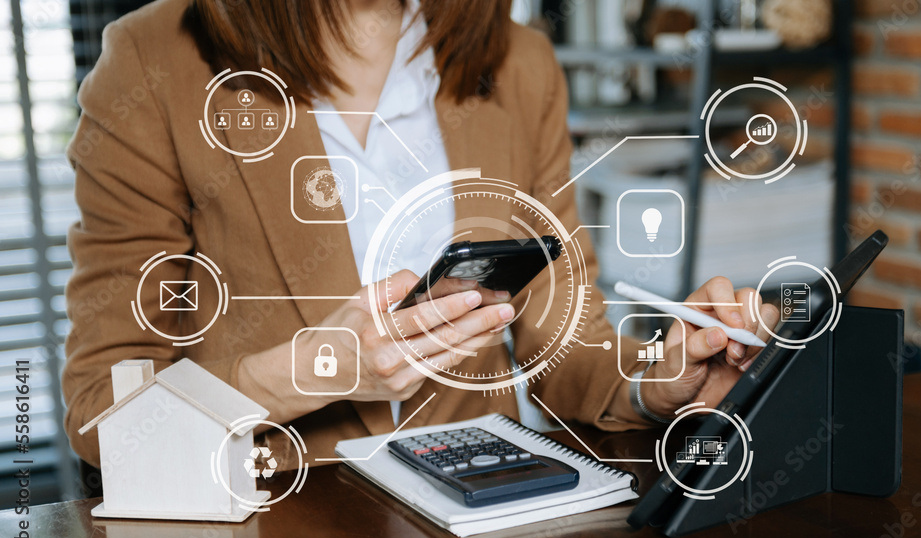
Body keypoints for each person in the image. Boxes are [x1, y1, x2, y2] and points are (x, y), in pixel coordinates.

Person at [63, 0, 778, 469]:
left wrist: (659, 380)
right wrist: (310, 373)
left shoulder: (519, 64)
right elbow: (104, 414)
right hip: (277, 528)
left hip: (487, 519)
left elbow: (565, 348)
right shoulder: (154, 64)